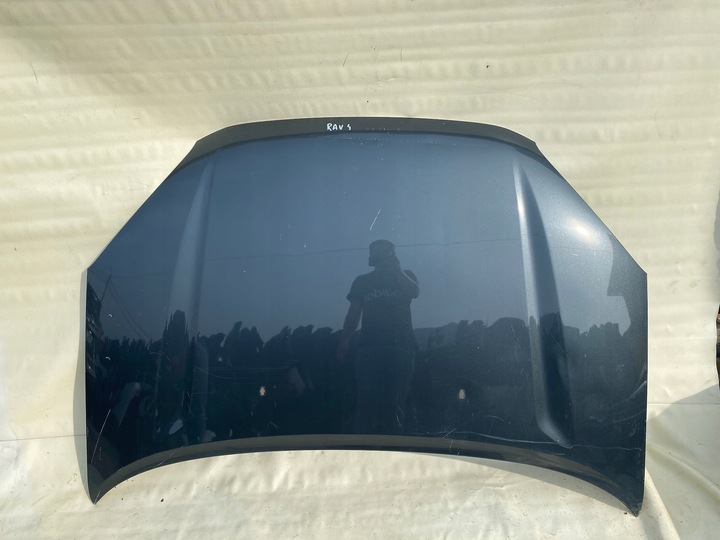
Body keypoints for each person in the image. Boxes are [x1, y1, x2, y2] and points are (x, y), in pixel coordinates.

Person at [337, 240, 420, 434]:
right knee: (366, 401)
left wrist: (397, 269)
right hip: (370, 348)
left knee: (396, 401)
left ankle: (395, 444)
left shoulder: (405, 275)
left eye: (386, 254)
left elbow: (414, 292)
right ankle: (363, 444)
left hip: (402, 346)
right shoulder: (363, 281)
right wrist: (344, 341)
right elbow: (353, 314)